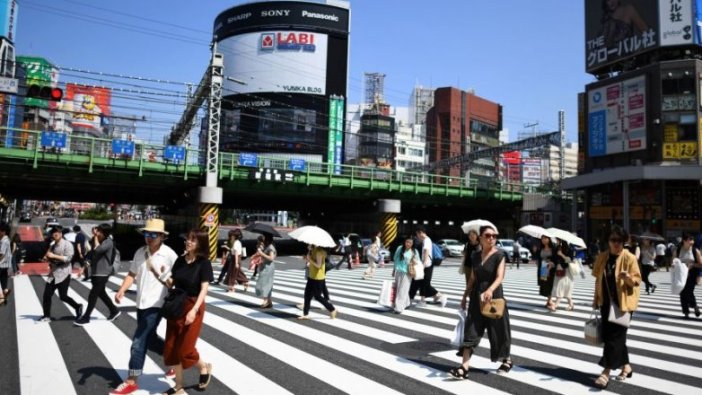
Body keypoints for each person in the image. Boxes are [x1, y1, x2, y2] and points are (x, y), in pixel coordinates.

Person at [110, 219, 178, 395]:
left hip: (157, 304)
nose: (148, 237)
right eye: (146, 234)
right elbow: (132, 273)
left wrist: (167, 277)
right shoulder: (140, 252)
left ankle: (132, 380)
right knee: (151, 339)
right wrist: (122, 290)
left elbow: (177, 282)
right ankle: (173, 360)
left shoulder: (170, 255)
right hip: (141, 303)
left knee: (138, 341)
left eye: (153, 234)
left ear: (162, 236)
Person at [451, 225, 512, 379]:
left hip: (494, 296)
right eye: (488, 235)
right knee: (471, 329)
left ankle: (507, 359)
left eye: (494, 236)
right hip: (477, 296)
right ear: (480, 238)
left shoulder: (500, 255)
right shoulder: (475, 256)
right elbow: (472, 277)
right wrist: (465, 295)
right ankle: (464, 367)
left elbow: (500, 277)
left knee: (498, 330)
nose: (491, 238)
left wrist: (490, 290)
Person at [161, 229, 214, 395]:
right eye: (188, 239)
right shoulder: (180, 261)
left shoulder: (203, 263)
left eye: (192, 240)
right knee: (171, 347)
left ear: (200, 243)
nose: (188, 242)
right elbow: (172, 283)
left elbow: (204, 289)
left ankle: (204, 367)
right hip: (177, 305)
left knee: (186, 349)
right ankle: (179, 387)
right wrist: (161, 273)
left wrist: (194, 310)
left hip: (193, 305)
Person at [591, 225, 641, 389]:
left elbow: (636, 281)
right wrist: (595, 299)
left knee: (615, 338)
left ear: (624, 242)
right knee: (612, 337)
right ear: (608, 241)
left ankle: (605, 372)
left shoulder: (629, 258)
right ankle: (626, 367)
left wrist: (627, 277)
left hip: (624, 304)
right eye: (613, 240)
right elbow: (598, 279)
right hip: (606, 303)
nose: (616, 244)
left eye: (620, 241)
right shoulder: (603, 257)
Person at [74, 223, 121, 326]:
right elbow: (91, 256)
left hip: (103, 273)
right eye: (97, 230)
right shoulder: (96, 241)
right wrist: (83, 268)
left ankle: (86, 317)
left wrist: (95, 237)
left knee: (93, 295)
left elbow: (98, 250)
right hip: (95, 272)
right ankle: (114, 311)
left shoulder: (108, 242)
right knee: (101, 293)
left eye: (99, 231)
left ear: (104, 233)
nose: (97, 232)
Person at [39, 226, 83, 322]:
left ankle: (78, 306)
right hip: (53, 273)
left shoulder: (67, 245)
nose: (55, 234)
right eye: (53, 233)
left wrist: (54, 256)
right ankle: (46, 316)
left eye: (57, 233)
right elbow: (47, 255)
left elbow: (68, 258)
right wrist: (46, 258)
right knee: (46, 295)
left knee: (63, 296)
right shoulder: (52, 245)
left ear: (61, 234)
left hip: (64, 274)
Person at [409, 226, 447, 307]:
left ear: (420, 232)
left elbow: (426, 251)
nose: (417, 236)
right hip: (427, 265)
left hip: (427, 265)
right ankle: (424, 300)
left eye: (417, 234)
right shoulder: (425, 240)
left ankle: (440, 296)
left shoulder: (426, 240)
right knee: (422, 284)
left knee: (424, 284)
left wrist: (423, 264)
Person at [298, 244, 337, 320]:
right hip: (311, 276)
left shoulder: (319, 252)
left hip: (318, 278)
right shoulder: (312, 251)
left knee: (317, 296)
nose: (308, 245)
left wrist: (310, 260)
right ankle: (305, 314)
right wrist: (307, 257)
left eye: (309, 244)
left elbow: (318, 265)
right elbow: (310, 262)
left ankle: (332, 309)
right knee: (307, 295)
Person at [674, 232, 702, 319]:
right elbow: (673, 262)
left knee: (689, 291)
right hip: (681, 274)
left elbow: (700, 264)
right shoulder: (678, 250)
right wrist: (677, 265)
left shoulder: (695, 250)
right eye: (690, 239)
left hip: (692, 274)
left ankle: (695, 306)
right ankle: (686, 311)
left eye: (692, 239)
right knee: (682, 292)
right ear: (684, 241)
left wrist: (693, 265)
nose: (692, 241)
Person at [392, 237, 415, 314]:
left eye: (410, 243)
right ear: (404, 242)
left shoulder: (413, 252)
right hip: (398, 271)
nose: (408, 244)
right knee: (399, 288)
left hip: (407, 273)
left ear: (412, 244)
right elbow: (395, 259)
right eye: (407, 242)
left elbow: (417, 262)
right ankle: (407, 303)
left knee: (403, 290)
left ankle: (399, 307)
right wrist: (394, 270)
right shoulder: (399, 248)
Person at [549, 239, 574, 311]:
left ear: (562, 241)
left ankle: (555, 305)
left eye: (558, 240)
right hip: (558, 271)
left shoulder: (569, 249)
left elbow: (569, 260)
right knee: (564, 289)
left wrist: (561, 254)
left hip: (566, 272)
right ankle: (571, 305)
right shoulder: (557, 248)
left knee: (560, 288)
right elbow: (554, 259)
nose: (556, 241)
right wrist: (552, 263)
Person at [254, 233, 276, 309]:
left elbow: (271, 258)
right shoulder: (267, 246)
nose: (263, 239)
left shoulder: (271, 247)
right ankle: (269, 301)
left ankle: (265, 301)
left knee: (265, 283)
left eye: (264, 238)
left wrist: (261, 253)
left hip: (268, 268)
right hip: (266, 266)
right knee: (267, 283)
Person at [536, 234, 557, 309]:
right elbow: (538, 258)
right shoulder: (540, 249)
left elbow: (556, 258)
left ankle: (550, 300)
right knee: (545, 284)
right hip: (543, 267)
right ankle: (549, 300)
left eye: (545, 238)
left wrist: (552, 263)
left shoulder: (553, 248)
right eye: (542, 238)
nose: (543, 240)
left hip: (551, 268)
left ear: (549, 239)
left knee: (550, 284)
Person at [225, 228, 249, 293]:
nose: (230, 237)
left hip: (235, 259)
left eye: (231, 236)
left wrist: (236, 263)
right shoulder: (238, 242)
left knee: (232, 273)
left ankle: (231, 288)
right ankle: (245, 282)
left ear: (234, 236)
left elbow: (236, 253)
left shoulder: (236, 243)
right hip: (237, 258)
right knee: (237, 273)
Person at [0, 223, 11, 305]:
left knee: (2, 279)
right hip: (5, 265)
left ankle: (1, 297)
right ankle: (5, 291)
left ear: (3, 232)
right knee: (3, 280)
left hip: (1, 264)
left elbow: (1, 254)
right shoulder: (7, 239)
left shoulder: (3, 241)